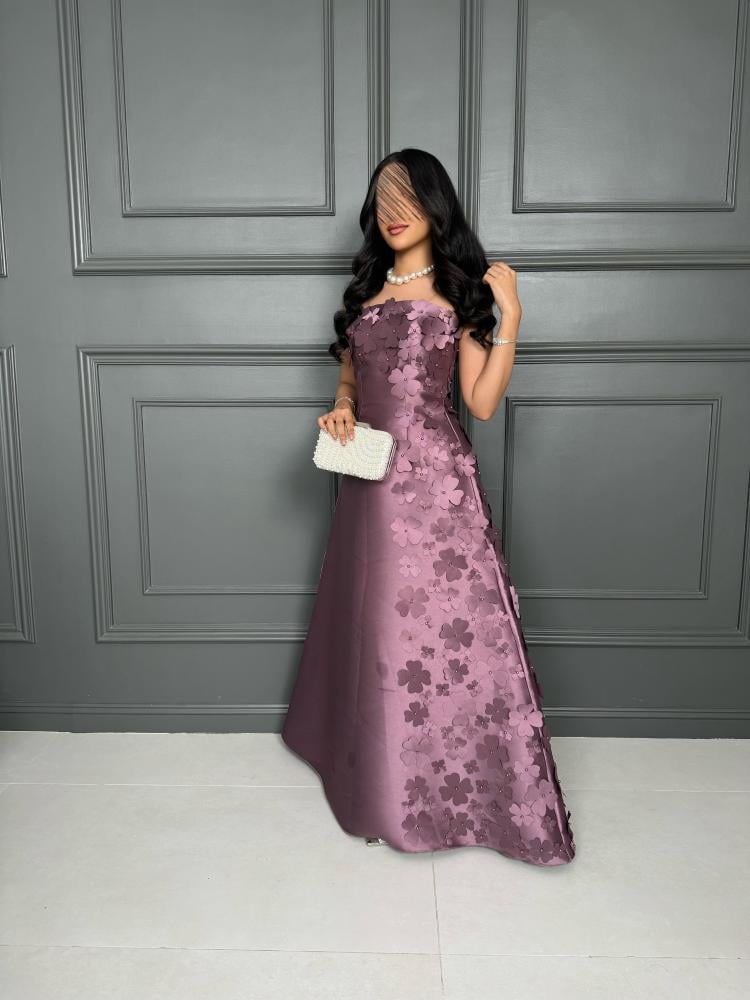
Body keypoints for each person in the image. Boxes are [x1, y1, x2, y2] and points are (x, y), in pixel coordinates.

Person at [281, 149, 576, 866]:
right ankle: (375, 772)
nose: (393, 212)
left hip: (433, 485)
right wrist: (342, 409)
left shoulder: (456, 292)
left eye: (408, 197)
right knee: (373, 621)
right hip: (369, 478)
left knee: (444, 629)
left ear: (435, 205)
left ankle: (449, 786)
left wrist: (511, 316)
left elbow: (480, 402)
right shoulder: (366, 292)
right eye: (383, 198)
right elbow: (350, 380)